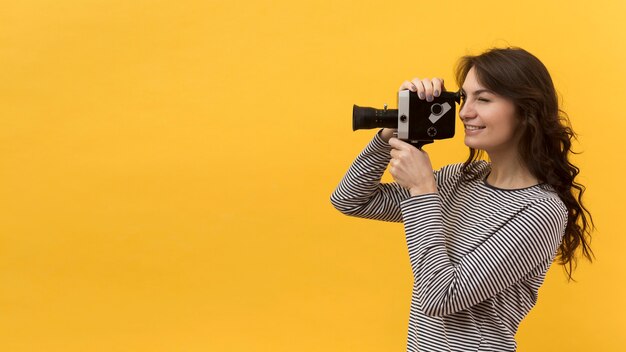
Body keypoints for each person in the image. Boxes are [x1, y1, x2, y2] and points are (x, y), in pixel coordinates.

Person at [330, 47, 593, 352]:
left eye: (483, 99)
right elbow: (351, 199)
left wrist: (423, 191)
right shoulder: (462, 178)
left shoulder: (541, 211)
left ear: (525, 111)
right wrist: (396, 127)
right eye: (463, 98)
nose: (466, 112)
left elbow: (440, 296)